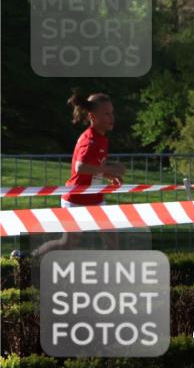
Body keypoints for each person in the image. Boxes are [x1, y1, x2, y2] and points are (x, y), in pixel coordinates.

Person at [20, 92, 125, 259]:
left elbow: (93, 167)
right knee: (66, 244)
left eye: (112, 112)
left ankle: (114, 271)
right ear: (92, 116)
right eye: (106, 114)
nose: (112, 117)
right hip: (76, 200)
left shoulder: (102, 137)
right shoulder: (89, 139)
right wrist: (111, 169)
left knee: (113, 241)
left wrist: (108, 175)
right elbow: (80, 167)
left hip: (95, 198)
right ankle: (27, 258)